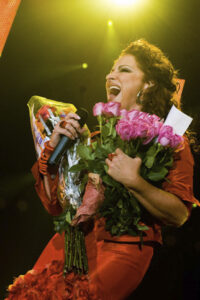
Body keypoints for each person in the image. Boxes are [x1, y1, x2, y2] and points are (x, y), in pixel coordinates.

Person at [6, 39, 199, 300]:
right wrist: (54, 149)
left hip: (121, 250)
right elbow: (55, 205)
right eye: (111, 69)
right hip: (68, 246)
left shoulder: (168, 140)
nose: (111, 75)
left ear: (149, 83)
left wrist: (135, 181)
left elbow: (179, 214)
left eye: (124, 70)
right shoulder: (92, 139)